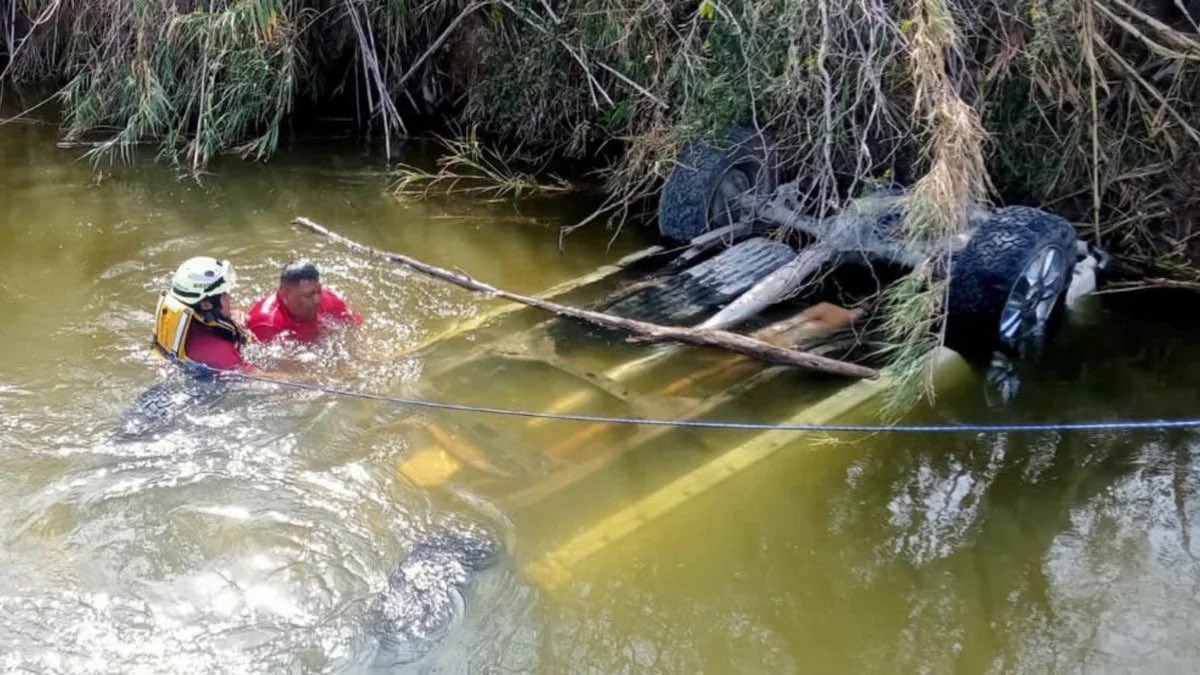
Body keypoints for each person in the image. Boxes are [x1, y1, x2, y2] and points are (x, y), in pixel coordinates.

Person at [152, 256, 254, 371]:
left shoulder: (190, 320)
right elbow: (260, 377)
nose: (230, 297)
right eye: (224, 294)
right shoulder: (219, 350)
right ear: (206, 305)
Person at [246, 260, 362, 343]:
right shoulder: (266, 323)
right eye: (307, 296)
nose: (317, 300)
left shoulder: (330, 300)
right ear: (284, 296)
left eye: (318, 291)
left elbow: (357, 327)